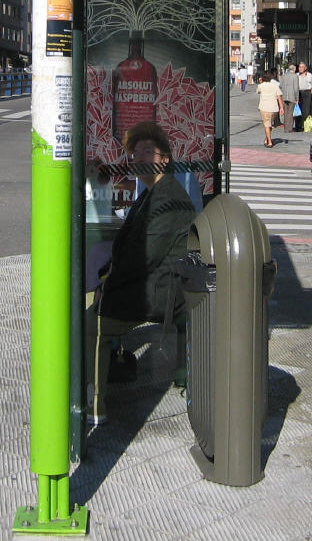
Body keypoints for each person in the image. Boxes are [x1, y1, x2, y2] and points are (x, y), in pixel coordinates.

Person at [85, 121, 197, 424]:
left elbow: (144, 258)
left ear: (165, 158)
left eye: (148, 151)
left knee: (90, 326)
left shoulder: (168, 198)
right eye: (135, 154)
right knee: (91, 307)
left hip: (162, 291)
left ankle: (94, 405)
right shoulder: (152, 192)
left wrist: (109, 285)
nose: (139, 158)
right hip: (153, 283)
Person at [256, 70, 283, 147]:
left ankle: (269, 141)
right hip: (274, 108)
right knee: (269, 124)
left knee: (266, 124)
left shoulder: (261, 86)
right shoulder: (275, 86)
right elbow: (279, 97)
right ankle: (267, 139)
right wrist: (281, 107)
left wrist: (260, 82)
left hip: (264, 107)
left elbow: (257, 92)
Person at [278, 64, 299, 134]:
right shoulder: (295, 76)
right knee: (290, 113)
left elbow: (280, 86)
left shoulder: (283, 76)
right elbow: (296, 88)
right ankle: (289, 128)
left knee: (286, 113)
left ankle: (286, 127)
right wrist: (297, 98)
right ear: (294, 69)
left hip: (284, 96)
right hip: (292, 96)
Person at [296, 62, 312, 131]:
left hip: (307, 92)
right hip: (298, 92)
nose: (300, 68)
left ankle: (305, 125)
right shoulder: (296, 75)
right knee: (298, 110)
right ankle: (298, 126)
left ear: (305, 68)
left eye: (302, 67)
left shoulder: (309, 75)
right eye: (299, 67)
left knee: (306, 110)